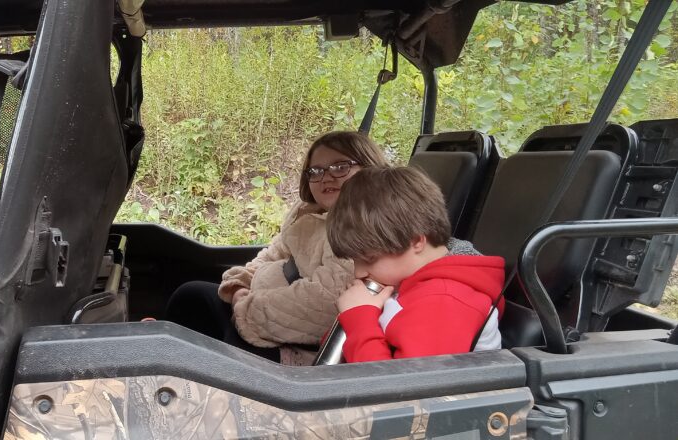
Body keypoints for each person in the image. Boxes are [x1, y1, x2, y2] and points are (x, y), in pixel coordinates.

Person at [166, 131, 389, 364]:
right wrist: (239, 286)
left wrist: (246, 309)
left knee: (227, 354)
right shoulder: (308, 216)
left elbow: (322, 304)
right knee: (192, 296)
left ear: (369, 170)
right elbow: (270, 256)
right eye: (316, 171)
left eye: (340, 167)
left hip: (302, 348)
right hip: (262, 310)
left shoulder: (361, 229)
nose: (326, 178)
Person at [326, 166, 504, 363]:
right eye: (354, 260)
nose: (358, 272)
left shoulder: (445, 299)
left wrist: (359, 319)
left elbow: (402, 389)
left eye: (369, 259)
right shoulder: (406, 282)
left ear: (416, 241)